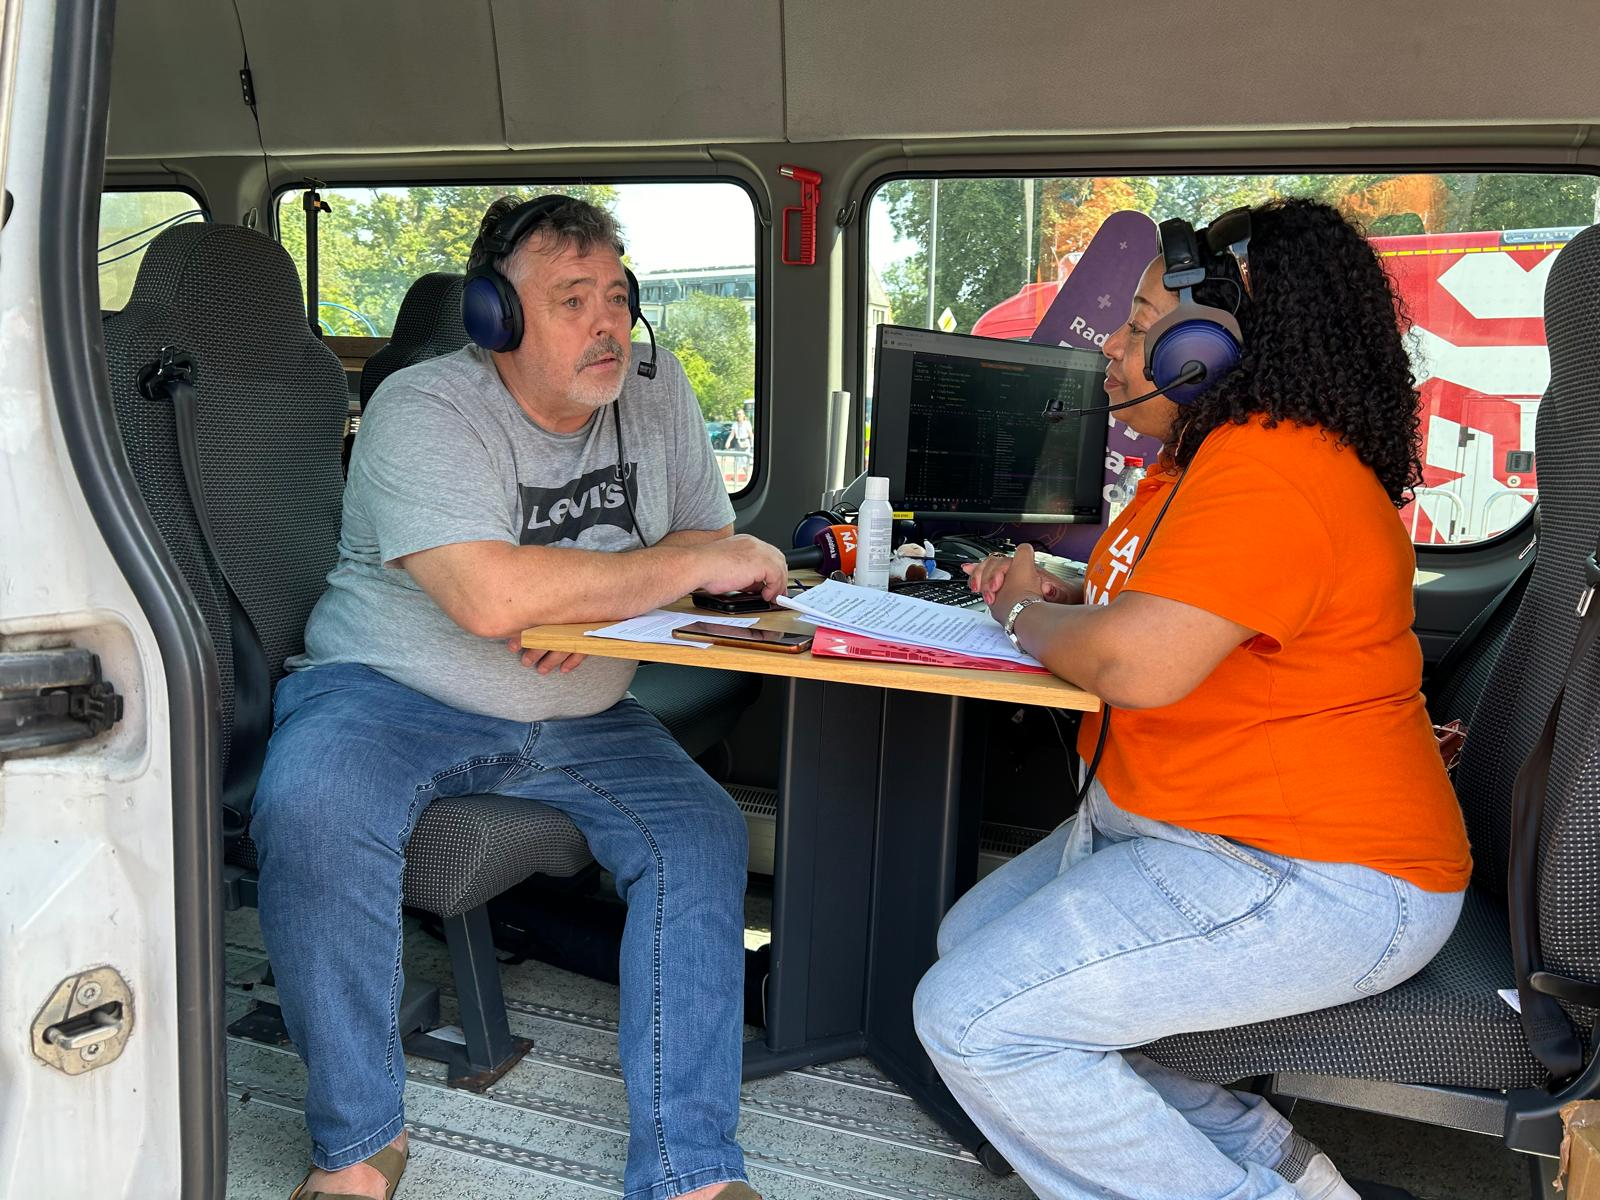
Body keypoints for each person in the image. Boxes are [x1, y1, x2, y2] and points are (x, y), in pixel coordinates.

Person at [913, 198, 1472, 1200]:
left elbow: (1140, 666)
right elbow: (1176, 609)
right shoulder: (1203, 462)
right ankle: (1274, 1163)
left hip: (1314, 874)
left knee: (974, 1019)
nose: (1112, 350)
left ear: (1207, 350)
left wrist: (1020, 614)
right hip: (1196, 829)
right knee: (974, 948)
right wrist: (1073, 596)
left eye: (1137, 327)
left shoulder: (1275, 468)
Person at [252, 195, 786, 1200]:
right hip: (388, 692)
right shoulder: (424, 408)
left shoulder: (655, 386)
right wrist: (613, 584)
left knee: (702, 832)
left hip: (584, 711)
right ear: (496, 317)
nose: (606, 324)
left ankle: (692, 1173)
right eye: (572, 300)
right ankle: (358, 1148)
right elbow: (492, 599)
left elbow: (706, 548)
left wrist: (587, 606)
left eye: (617, 297)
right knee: (313, 808)